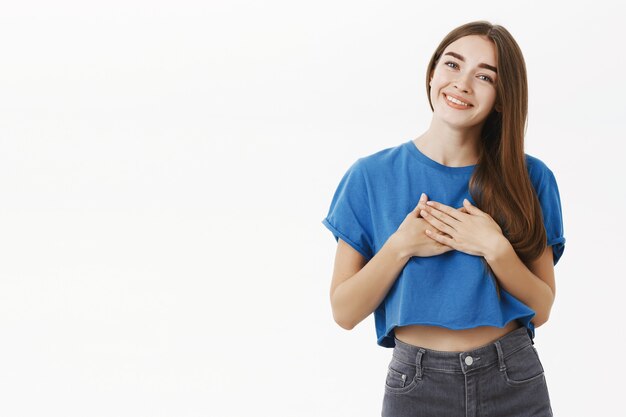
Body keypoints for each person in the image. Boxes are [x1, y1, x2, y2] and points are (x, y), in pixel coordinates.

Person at [321, 21, 565, 416]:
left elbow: (542, 308)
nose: (463, 83)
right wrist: (401, 245)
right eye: (453, 65)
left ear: (502, 97)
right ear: (432, 72)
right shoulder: (370, 176)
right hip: (416, 386)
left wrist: (495, 248)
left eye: (484, 76)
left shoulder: (531, 178)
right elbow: (344, 312)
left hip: (513, 379)